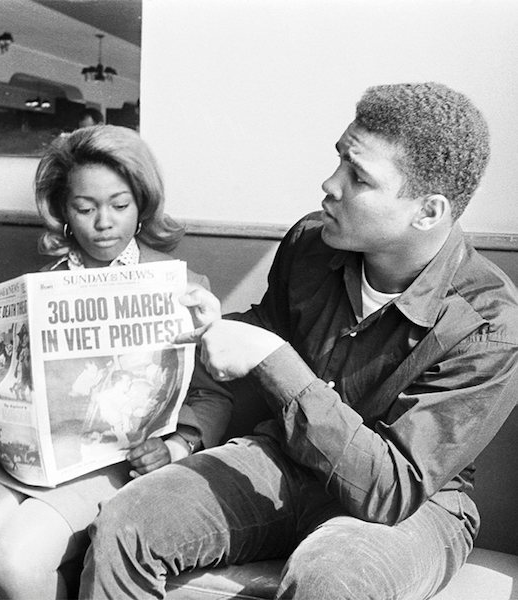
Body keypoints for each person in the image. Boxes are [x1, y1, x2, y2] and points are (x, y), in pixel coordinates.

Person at [79, 83, 518, 600]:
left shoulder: (489, 324)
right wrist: (207, 321)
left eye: (359, 178)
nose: (329, 184)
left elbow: (391, 490)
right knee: (126, 521)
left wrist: (273, 360)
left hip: (415, 507)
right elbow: (272, 325)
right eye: (339, 162)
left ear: (427, 211)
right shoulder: (311, 242)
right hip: (286, 461)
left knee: (331, 580)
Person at [0, 124, 230, 599]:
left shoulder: (182, 285)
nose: (103, 222)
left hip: (117, 460)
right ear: (63, 211)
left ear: (142, 205)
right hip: (32, 459)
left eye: (119, 205)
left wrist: (178, 445)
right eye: (85, 209)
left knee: (16, 557)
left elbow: (214, 394)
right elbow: (7, 380)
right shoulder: (39, 288)